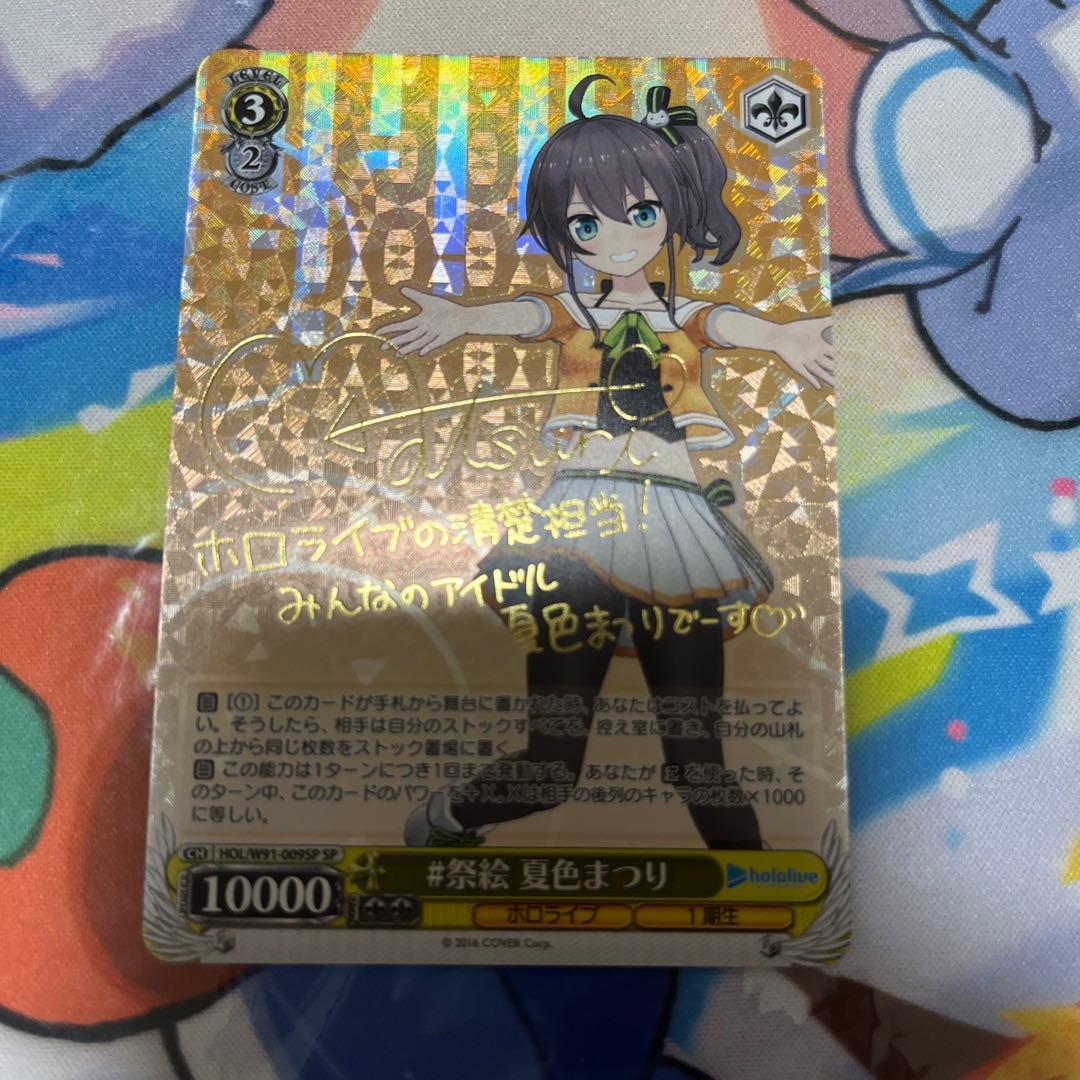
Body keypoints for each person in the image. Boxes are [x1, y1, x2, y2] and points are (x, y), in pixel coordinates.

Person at [387, 75, 833, 849]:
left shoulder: (684, 316)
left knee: (699, 759)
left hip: (679, 528)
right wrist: (460, 319)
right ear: (565, 232)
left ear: (672, 210)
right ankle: (448, 820)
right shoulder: (577, 312)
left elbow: (730, 324)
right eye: (586, 223)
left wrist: (786, 337)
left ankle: (762, 887)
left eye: (641, 214)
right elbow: (529, 314)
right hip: (582, 526)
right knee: (555, 763)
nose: (617, 237)